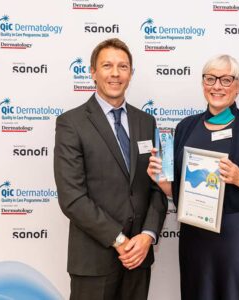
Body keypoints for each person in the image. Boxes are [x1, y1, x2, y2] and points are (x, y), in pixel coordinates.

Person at [147, 54, 239, 300]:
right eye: (210, 79)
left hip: (238, 236)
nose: (217, 86)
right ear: (202, 83)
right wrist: (160, 180)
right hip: (195, 234)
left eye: (226, 79)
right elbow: (179, 191)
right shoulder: (185, 127)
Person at [54, 38, 167, 300]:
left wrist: (147, 235)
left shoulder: (146, 121)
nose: (115, 73)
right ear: (92, 72)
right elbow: (72, 197)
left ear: (131, 73)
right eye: (107, 65)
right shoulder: (71, 123)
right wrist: (120, 240)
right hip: (94, 261)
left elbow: (157, 186)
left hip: (139, 259)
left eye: (123, 66)